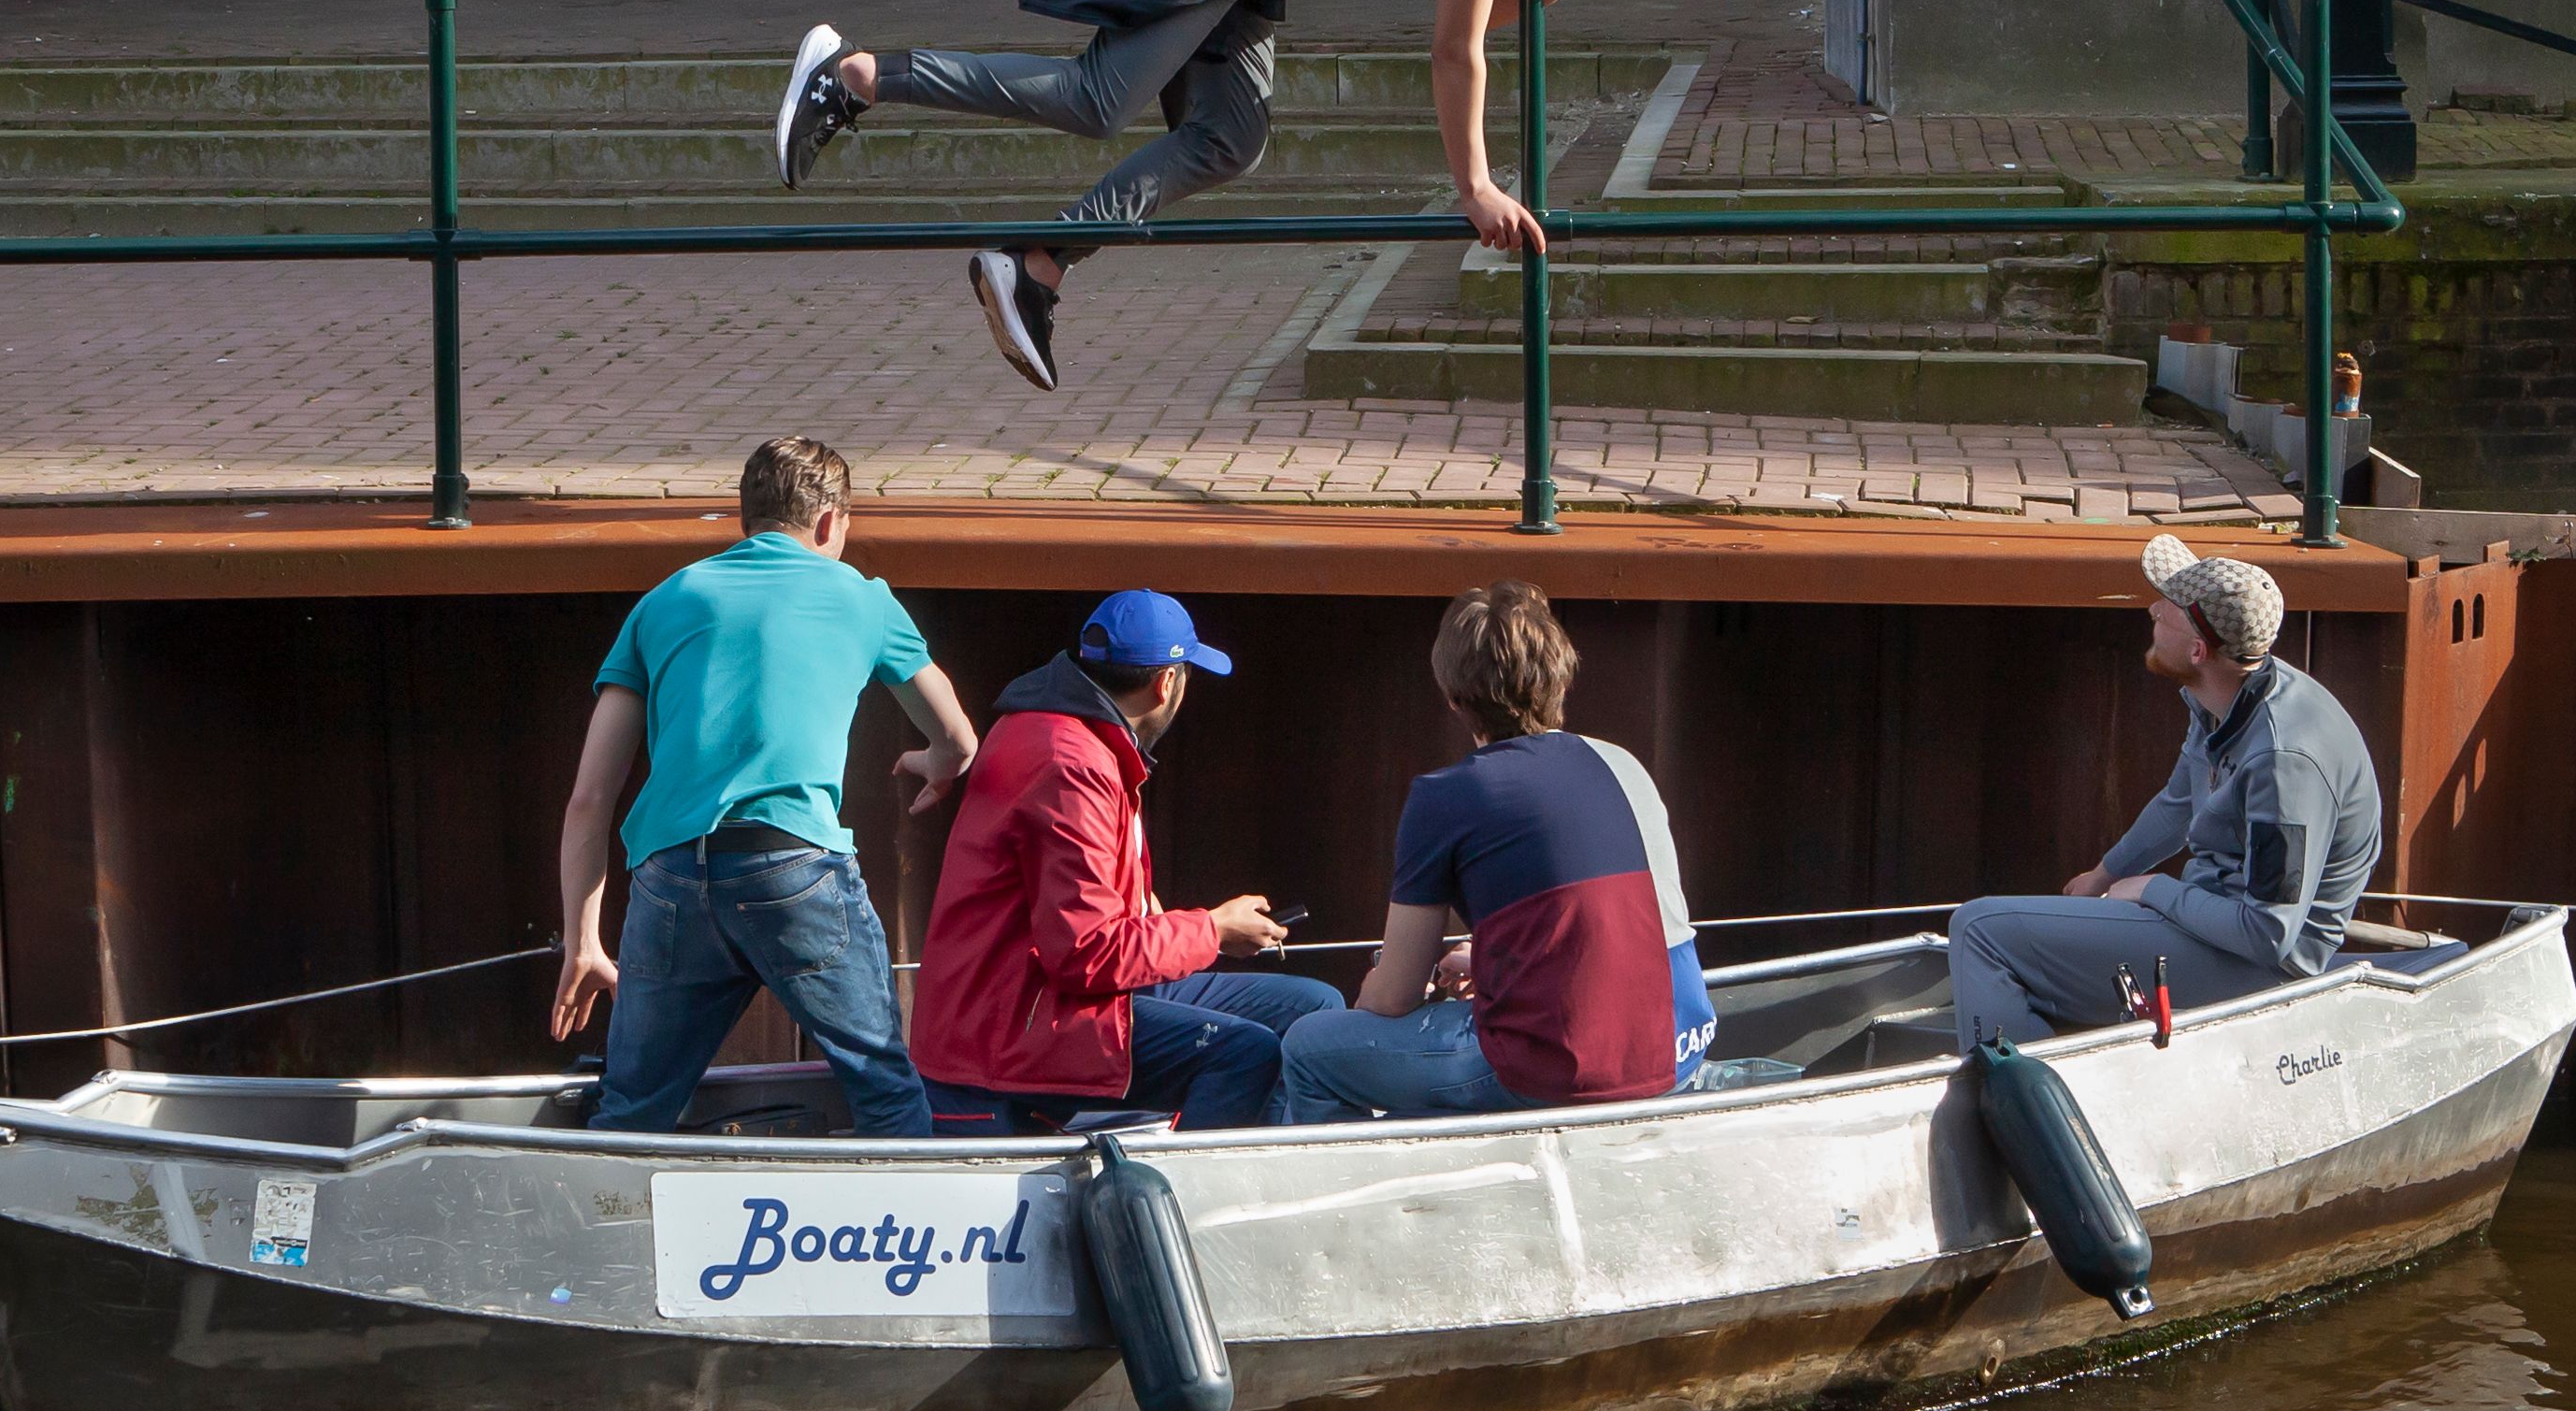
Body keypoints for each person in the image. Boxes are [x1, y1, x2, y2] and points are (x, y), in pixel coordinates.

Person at [768, 0, 1691, 392]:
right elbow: (1453, 51)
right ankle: (859, 74)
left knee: (1227, 137)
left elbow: (1487, 19)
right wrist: (1476, 186)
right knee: (1099, 98)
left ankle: (1038, 263)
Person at [549, 435, 976, 1137]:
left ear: (747, 516)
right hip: (794, 868)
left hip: (672, 876)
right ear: (831, 523)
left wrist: (584, 942)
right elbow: (957, 734)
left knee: (630, 1112)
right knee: (887, 1095)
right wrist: (938, 762)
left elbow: (589, 799)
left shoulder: (665, 600)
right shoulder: (863, 598)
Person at [1273, 579, 1715, 1127]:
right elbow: (1612, 926)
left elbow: (1393, 997)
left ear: (1455, 698)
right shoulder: (1623, 764)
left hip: (1562, 1069)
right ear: (1562, 675)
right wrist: (1483, 961)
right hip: (1681, 1044)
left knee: (1310, 1049)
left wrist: (1376, 996)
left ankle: (1353, 1202)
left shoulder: (1444, 796)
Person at [910, 589, 1340, 1134]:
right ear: (1167, 683)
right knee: (1246, 1052)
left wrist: (1182, 924)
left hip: (1029, 994)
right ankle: (1196, 1207)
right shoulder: (1073, 763)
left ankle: (1261, 1173)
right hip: (1016, 1020)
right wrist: (1212, 930)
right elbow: (1086, 954)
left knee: (1312, 1008)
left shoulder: (1054, 730)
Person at [1947, 533, 2383, 1048]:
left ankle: (2008, 1097)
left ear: (2198, 649)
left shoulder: (2283, 764)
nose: (2153, 608)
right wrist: (2105, 874)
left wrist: (2154, 889)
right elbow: (2177, 805)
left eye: (2168, 610)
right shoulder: (2227, 696)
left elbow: (2269, 933)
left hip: (2263, 968)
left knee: (1979, 929)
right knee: (2012, 930)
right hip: (2209, 922)